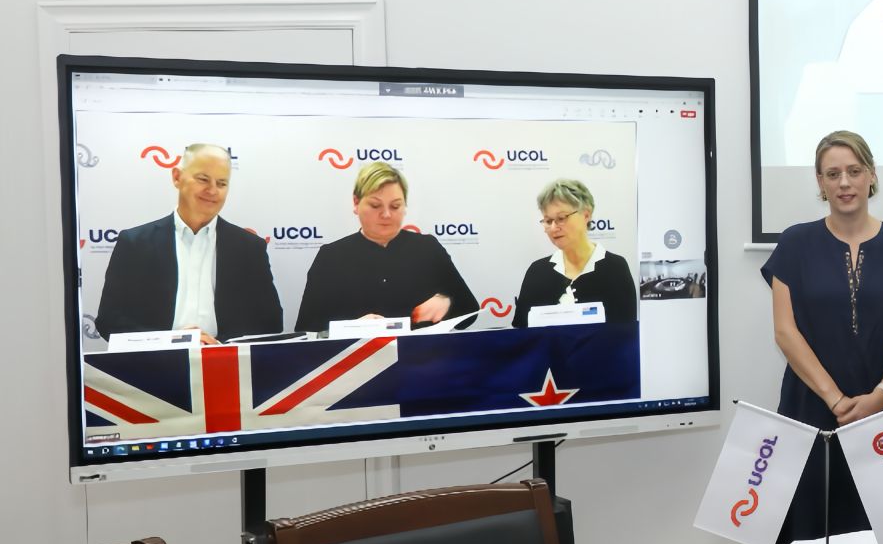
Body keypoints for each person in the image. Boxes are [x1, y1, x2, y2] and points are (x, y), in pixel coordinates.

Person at [763, 131, 883, 543]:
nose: (844, 183)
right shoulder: (795, 242)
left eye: (854, 171)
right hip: (812, 410)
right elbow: (785, 332)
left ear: (871, 175)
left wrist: (881, 395)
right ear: (819, 181)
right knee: (811, 543)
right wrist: (836, 400)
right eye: (833, 173)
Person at [95, 142, 282, 343]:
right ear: (177, 177)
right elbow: (110, 321)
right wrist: (169, 341)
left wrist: (219, 345)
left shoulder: (250, 248)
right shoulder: (135, 243)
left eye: (221, 183)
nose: (212, 190)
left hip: (225, 360)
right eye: (203, 179)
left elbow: (270, 323)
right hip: (153, 361)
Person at [294, 162, 480, 332]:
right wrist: (351, 328)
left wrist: (446, 303)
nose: (386, 215)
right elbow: (306, 329)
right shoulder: (331, 257)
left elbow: (470, 311)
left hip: (425, 356)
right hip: (356, 357)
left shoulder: (428, 248)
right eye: (375, 205)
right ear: (356, 203)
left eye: (395, 206)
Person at [512, 179, 638, 327]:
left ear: (586, 215)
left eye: (561, 218)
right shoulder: (537, 271)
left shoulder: (615, 268)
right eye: (548, 221)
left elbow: (624, 332)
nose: (553, 228)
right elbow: (520, 331)